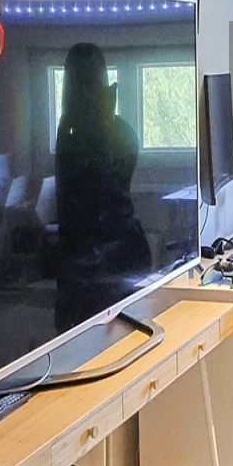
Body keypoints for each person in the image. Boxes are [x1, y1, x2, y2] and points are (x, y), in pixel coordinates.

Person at [53, 44, 153, 332]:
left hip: (119, 263)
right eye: (80, 85)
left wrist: (103, 124)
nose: (86, 94)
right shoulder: (68, 134)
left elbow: (110, 193)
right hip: (79, 275)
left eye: (92, 83)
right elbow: (70, 207)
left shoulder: (119, 133)